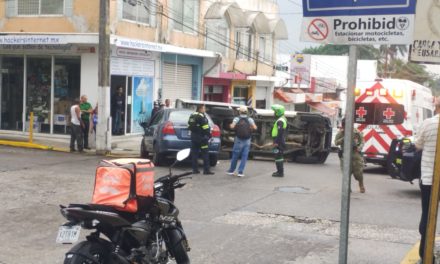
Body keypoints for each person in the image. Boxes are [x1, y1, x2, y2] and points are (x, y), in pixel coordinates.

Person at [415, 96, 440, 262]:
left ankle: (425, 253)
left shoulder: (428, 123)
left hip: (429, 179)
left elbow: (418, 145)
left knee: (427, 214)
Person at [334, 118, 365, 193]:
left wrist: (359, 148)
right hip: (345, 154)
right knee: (346, 173)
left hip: (355, 154)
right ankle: (347, 187)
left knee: (358, 173)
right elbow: (336, 143)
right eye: (344, 125)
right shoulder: (341, 133)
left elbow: (362, 141)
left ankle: (361, 184)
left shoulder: (356, 132)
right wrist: (343, 139)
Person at [227, 106, 257, 177]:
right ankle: (240, 172)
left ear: (239, 112)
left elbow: (232, 126)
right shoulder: (250, 119)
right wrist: (250, 127)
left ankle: (231, 170)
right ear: (246, 112)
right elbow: (255, 127)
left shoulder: (237, 118)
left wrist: (230, 125)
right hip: (247, 140)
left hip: (239, 139)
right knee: (244, 156)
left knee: (235, 155)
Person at [188, 104, 214, 175]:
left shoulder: (192, 115)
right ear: (200, 109)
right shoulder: (201, 116)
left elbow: (189, 126)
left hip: (194, 138)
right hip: (202, 138)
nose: (204, 110)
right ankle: (206, 170)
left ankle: (195, 170)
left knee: (194, 154)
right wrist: (209, 135)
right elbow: (205, 127)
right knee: (205, 154)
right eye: (204, 108)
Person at [271, 104, 287, 177]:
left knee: (278, 156)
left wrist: (276, 142)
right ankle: (279, 171)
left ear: (278, 112)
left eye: (275, 111)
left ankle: (280, 173)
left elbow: (280, 133)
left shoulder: (280, 121)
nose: (274, 113)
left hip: (278, 141)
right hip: (279, 140)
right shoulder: (282, 119)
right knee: (278, 156)